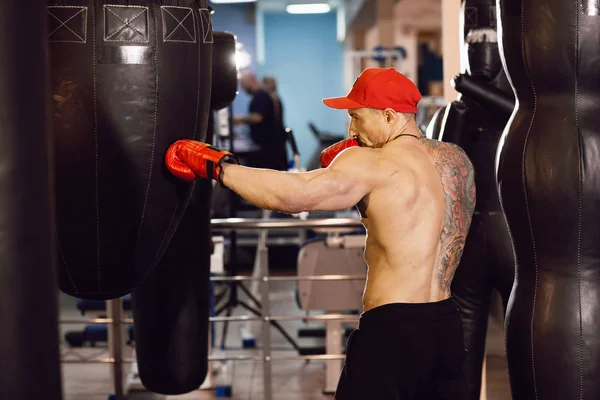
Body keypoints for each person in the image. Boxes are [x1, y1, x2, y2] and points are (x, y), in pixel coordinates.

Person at [165, 67, 475, 400]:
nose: (351, 128)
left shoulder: (370, 163)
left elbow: (294, 195)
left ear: (388, 116)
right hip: (446, 328)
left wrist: (219, 166)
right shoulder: (457, 161)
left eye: (356, 117)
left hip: (392, 333)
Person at [233, 71, 288, 171]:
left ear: (251, 80)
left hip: (267, 152)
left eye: (243, 84)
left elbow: (257, 117)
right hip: (276, 150)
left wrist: (238, 119)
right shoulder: (272, 97)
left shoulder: (260, 96)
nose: (242, 89)